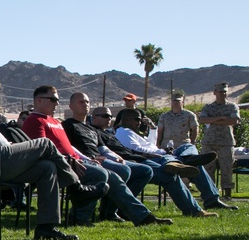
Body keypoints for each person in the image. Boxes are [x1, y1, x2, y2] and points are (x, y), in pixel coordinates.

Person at [0, 75, 100, 240]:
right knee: (45, 144)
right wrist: (12, 148)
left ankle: (46, 228)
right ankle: (76, 188)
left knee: (47, 168)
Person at [23, 86, 170, 227]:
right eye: (53, 100)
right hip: (60, 166)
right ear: (39, 100)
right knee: (100, 174)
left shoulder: (55, 121)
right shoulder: (34, 121)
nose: (56, 103)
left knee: (114, 176)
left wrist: (86, 159)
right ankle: (79, 217)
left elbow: (70, 147)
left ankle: (142, 216)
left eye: (57, 100)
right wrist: (70, 161)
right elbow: (43, 149)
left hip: (77, 161)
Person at [90, 106, 218, 218]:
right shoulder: (104, 132)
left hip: (142, 159)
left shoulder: (109, 134)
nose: (109, 118)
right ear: (94, 118)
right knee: (169, 174)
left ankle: (188, 160)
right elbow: (125, 152)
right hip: (135, 162)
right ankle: (194, 209)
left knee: (187, 154)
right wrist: (152, 154)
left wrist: (153, 137)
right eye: (106, 116)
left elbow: (135, 149)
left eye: (110, 116)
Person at [115, 108, 237, 211]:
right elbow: (136, 149)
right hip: (155, 158)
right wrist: (162, 152)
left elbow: (150, 144)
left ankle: (186, 159)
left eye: (141, 119)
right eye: (137, 119)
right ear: (126, 120)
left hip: (162, 154)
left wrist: (152, 128)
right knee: (195, 166)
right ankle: (211, 200)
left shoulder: (133, 132)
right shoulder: (122, 132)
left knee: (188, 146)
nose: (140, 122)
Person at [62, 91, 158, 222]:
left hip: (100, 159)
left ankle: (111, 211)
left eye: (87, 102)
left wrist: (116, 157)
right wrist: (88, 159)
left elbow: (103, 148)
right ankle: (110, 213)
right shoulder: (68, 125)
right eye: (81, 102)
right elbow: (68, 147)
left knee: (144, 170)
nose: (85, 105)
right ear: (71, 106)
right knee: (121, 170)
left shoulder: (91, 128)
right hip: (84, 161)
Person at [200, 82, 240, 199]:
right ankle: (210, 192)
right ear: (215, 93)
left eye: (224, 92)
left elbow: (233, 121)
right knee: (208, 167)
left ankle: (227, 193)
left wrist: (212, 121)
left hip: (226, 142)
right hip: (209, 142)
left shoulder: (232, 106)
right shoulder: (208, 107)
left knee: (226, 167)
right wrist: (221, 117)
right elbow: (202, 120)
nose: (222, 94)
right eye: (220, 91)